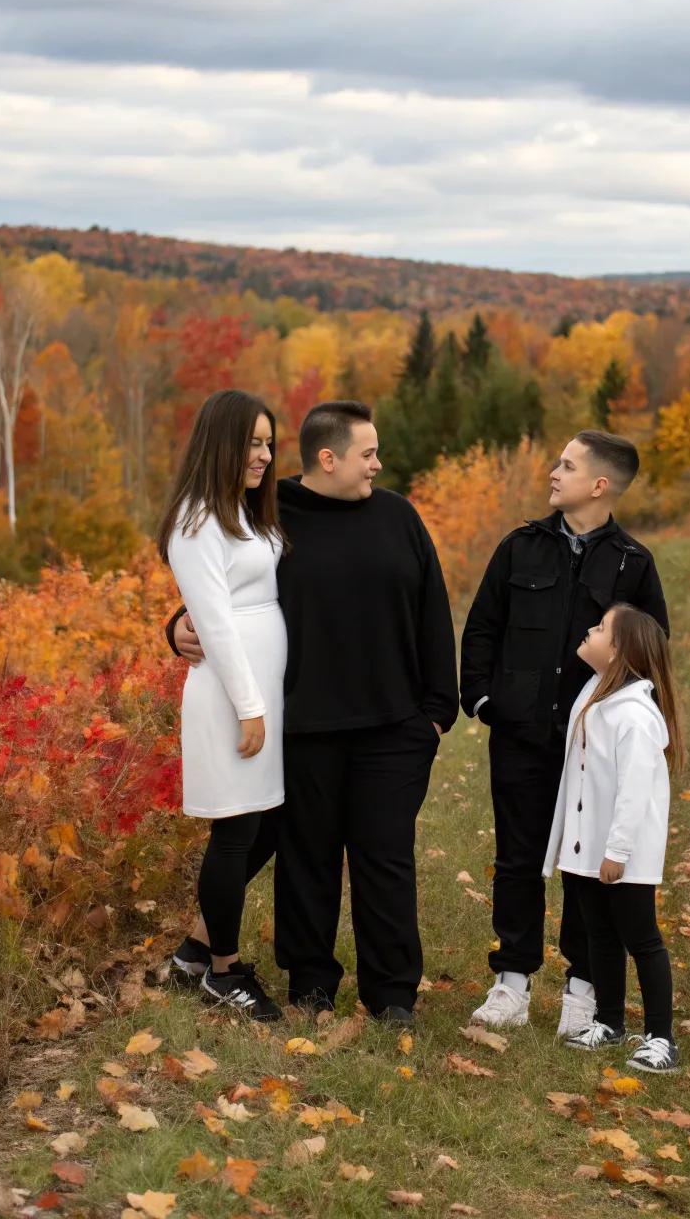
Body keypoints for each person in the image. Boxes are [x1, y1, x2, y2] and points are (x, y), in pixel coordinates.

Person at [168, 400, 458, 1026]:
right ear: (329, 458)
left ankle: (392, 994)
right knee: (307, 859)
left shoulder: (398, 517)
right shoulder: (274, 511)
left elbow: (433, 610)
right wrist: (176, 627)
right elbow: (222, 589)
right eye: (368, 454)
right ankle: (311, 983)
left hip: (393, 725)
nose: (378, 465)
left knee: (386, 859)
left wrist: (437, 712)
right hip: (303, 724)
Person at [459, 430, 669, 1037]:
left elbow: (652, 651)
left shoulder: (633, 564)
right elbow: (482, 627)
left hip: (592, 749)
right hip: (520, 735)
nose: (553, 472)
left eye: (567, 465)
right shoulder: (519, 548)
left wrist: (626, 722)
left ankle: (584, 988)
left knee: (584, 867)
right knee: (517, 858)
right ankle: (512, 982)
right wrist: (484, 700)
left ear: (599, 485)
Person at [157, 389, 286, 1023]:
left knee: (269, 824)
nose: (263, 455)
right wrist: (249, 706)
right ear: (221, 443)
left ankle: (194, 951)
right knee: (235, 830)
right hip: (231, 695)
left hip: (264, 692)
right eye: (252, 443)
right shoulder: (197, 519)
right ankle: (224, 971)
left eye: (268, 444)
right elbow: (213, 622)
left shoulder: (244, 508)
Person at [544, 603, 683, 1071]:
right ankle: (609, 1021)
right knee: (599, 936)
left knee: (641, 938)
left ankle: (661, 1038)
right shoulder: (595, 698)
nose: (590, 628)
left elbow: (634, 791)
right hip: (588, 852)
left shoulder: (635, 716)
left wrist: (618, 851)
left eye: (601, 627)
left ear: (620, 650)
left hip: (622, 855)